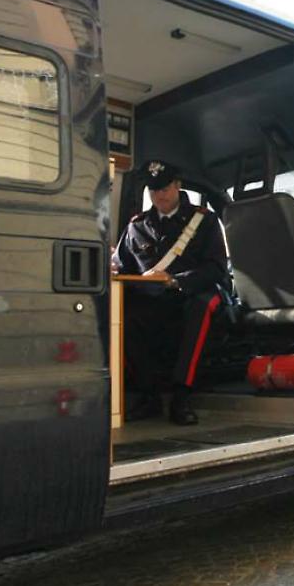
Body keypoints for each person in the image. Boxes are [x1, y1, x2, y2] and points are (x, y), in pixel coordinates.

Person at [112, 160, 228, 425]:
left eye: (164, 189)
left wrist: (176, 281)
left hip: (190, 293)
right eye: (153, 190)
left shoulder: (204, 221)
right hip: (152, 298)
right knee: (123, 316)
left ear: (177, 185)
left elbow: (216, 268)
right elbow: (122, 265)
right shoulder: (137, 226)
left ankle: (181, 396)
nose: (159, 196)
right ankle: (148, 395)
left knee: (202, 307)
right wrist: (112, 267)